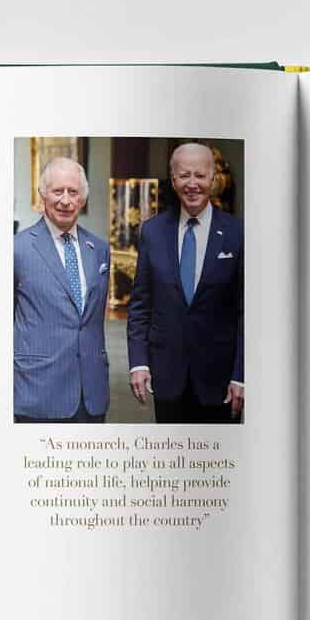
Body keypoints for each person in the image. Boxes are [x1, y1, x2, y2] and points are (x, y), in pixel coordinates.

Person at [127, 142, 244, 422]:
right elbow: (140, 306)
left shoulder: (238, 233)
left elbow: (247, 313)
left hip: (222, 383)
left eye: (200, 176)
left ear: (212, 179)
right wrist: (139, 362)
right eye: (184, 175)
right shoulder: (152, 232)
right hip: (167, 378)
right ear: (173, 179)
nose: (192, 184)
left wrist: (241, 375)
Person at [13, 157, 112, 423]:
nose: (65, 200)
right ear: (42, 194)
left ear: (83, 198)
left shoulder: (100, 249)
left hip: (90, 396)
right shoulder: (17, 249)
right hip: (37, 393)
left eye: (73, 192)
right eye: (58, 191)